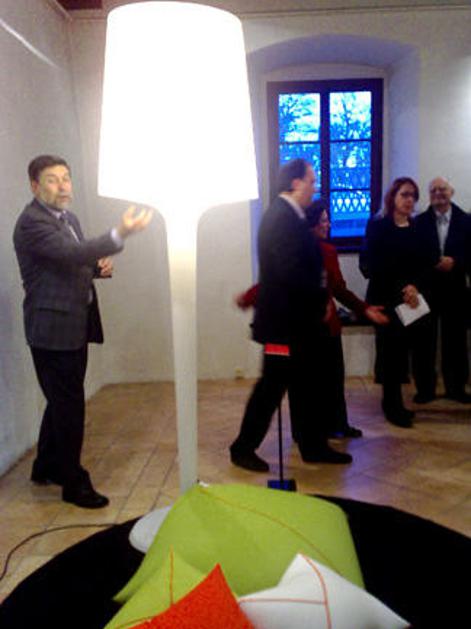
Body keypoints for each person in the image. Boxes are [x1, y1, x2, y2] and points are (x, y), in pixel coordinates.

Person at [13, 155, 153, 508]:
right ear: (35, 186)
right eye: (52, 179)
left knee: (62, 400)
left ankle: (46, 465)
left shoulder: (68, 218)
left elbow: (72, 261)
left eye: (66, 178)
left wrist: (96, 267)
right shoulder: (32, 223)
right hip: (51, 331)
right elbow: (72, 252)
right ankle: (73, 484)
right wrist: (119, 234)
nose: (62, 186)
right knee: (70, 407)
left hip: (74, 324)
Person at [230, 158, 352, 472]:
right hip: (283, 327)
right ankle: (242, 448)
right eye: (311, 181)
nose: (314, 187)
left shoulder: (290, 216)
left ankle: (313, 446)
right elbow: (289, 273)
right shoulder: (281, 218)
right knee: (270, 388)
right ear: (296, 183)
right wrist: (319, 300)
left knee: (306, 386)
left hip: (296, 324)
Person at [236, 203, 389, 440]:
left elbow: (338, 289)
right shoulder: (298, 250)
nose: (328, 225)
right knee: (304, 386)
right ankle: (307, 434)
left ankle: (336, 425)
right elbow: (274, 282)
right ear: (312, 223)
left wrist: (364, 308)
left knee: (333, 380)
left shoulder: (328, 250)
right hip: (306, 327)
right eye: (324, 220)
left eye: (328, 220)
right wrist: (248, 297)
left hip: (328, 326)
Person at [364, 177, 434, 428]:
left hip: (411, 301)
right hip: (385, 299)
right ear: (393, 196)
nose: (409, 200)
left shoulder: (417, 227)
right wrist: (402, 288)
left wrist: (415, 287)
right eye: (404, 194)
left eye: (413, 195)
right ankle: (392, 407)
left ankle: (397, 404)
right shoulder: (378, 226)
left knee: (403, 355)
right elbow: (370, 264)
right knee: (390, 356)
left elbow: (426, 263)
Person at [414, 177, 471, 403]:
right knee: (424, 342)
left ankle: (456, 388)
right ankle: (425, 390)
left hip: (456, 290)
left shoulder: (466, 221)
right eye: (433, 190)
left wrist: (456, 262)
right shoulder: (419, 222)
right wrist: (433, 263)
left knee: (455, 341)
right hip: (427, 289)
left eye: (442, 189)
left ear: (451, 191)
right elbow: (414, 256)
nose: (438, 193)